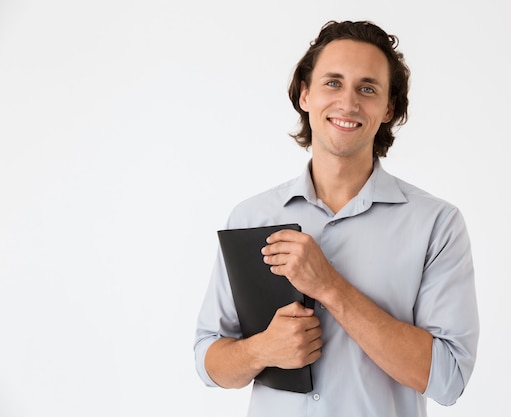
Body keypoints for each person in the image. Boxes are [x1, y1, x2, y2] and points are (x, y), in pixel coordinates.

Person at [194, 20, 479, 417]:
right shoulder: (252, 216)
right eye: (332, 83)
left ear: (388, 109)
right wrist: (262, 349)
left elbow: (448, 380)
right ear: (305, 94)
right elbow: (209, 361)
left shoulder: (436, 225)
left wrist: (328, 286)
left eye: (367, 88)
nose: (348, 103)